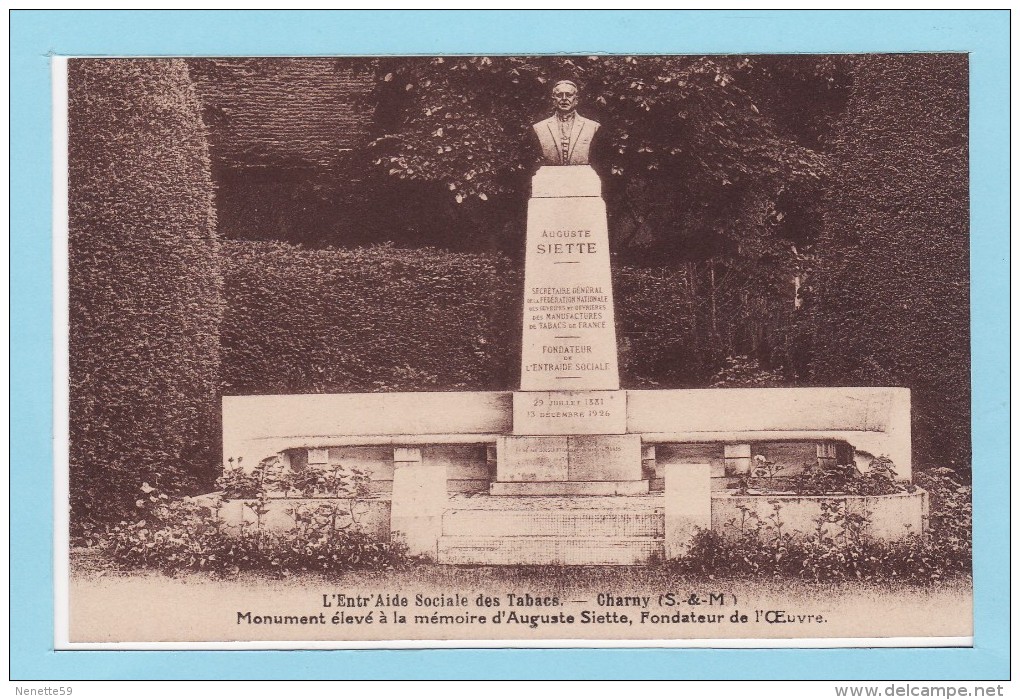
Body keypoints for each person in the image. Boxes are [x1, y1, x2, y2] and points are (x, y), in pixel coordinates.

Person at [532, 80, 601, 166]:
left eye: (569, 95)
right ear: (553, 99)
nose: (564, 98)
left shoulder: (592, 126)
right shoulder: (540, 127)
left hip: (580, 175)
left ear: (576, 99)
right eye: (559, 95)